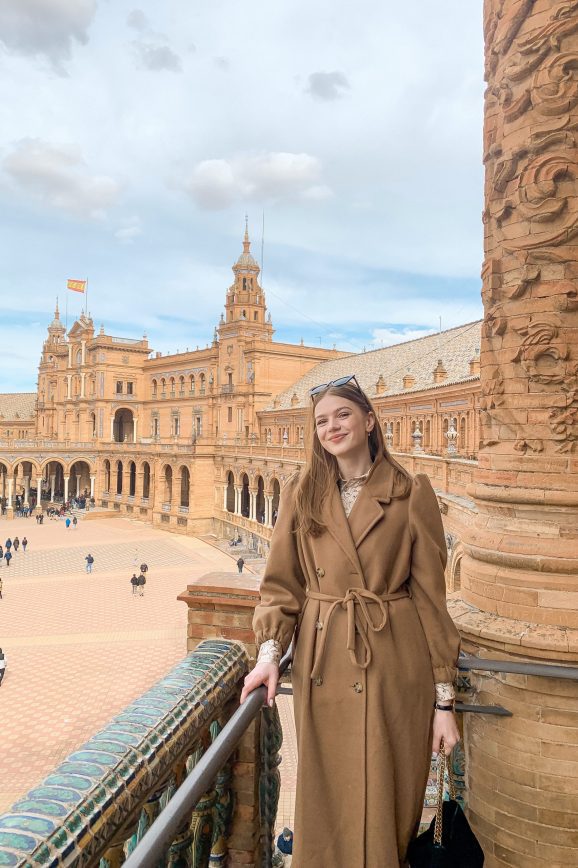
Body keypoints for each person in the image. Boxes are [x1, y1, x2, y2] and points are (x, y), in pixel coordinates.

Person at [240, 375, 461, 868]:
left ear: (369, 419)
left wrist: (444, 701)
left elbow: (430, 598)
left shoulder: (410, 492)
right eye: (321, 421)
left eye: (342, 415)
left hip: (395, 663)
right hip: (326, 662)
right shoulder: (303, 492)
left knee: (390, 795)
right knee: (327, 792)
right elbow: (282, 583)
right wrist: (270, 654)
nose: (332, 427)